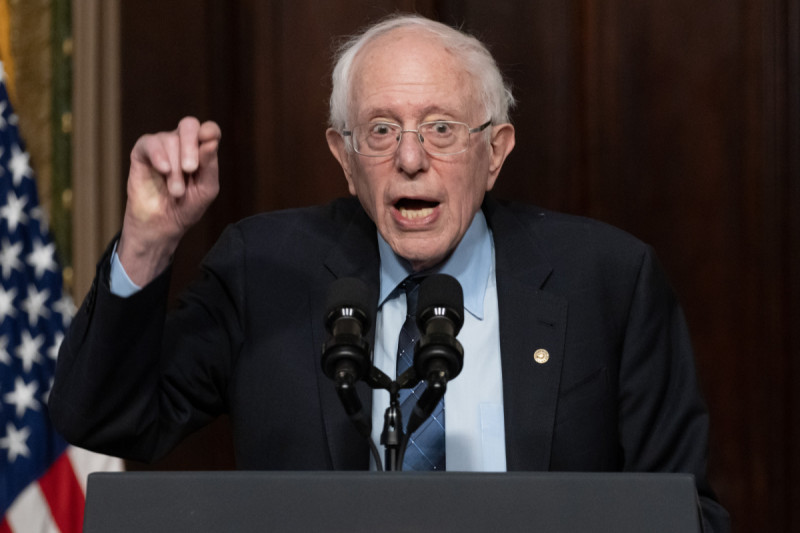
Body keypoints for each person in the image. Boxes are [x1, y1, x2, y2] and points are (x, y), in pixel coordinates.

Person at [49, 14, 729, 531]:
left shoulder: (607, 278)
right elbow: (107, 417)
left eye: (440, 128)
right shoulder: (266, 267)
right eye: (379, 130)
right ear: (344, 158)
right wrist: (148, 241)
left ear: (495, 152)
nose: (410, 158)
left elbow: (687, 511)